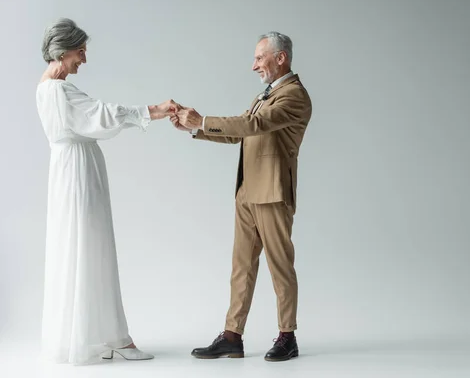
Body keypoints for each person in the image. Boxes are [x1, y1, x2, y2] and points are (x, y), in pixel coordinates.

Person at [36, 18, 177, 365]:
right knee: (94, 249)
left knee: (78, 249)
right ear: (62, 50)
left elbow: (92, 117)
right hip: (79, 174)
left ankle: (89, 336)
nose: (84, 58)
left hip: (66, 170)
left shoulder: (43, 88)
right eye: (80, 51)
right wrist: (153, 111)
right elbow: (101, 114)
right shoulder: (58, 90)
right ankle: (115, 339)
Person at [172, 32, 312, 362]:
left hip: (273, 192)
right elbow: (243, 135)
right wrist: (195, 129)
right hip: (248, 192)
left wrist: (203, 120)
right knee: (241, 267)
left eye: (259, 58)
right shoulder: (266, 94)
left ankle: (287, 336)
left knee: (280, 266)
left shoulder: (294, 96)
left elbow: (254, 124)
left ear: (281, 58)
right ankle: (232, 336)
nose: (253, 66)